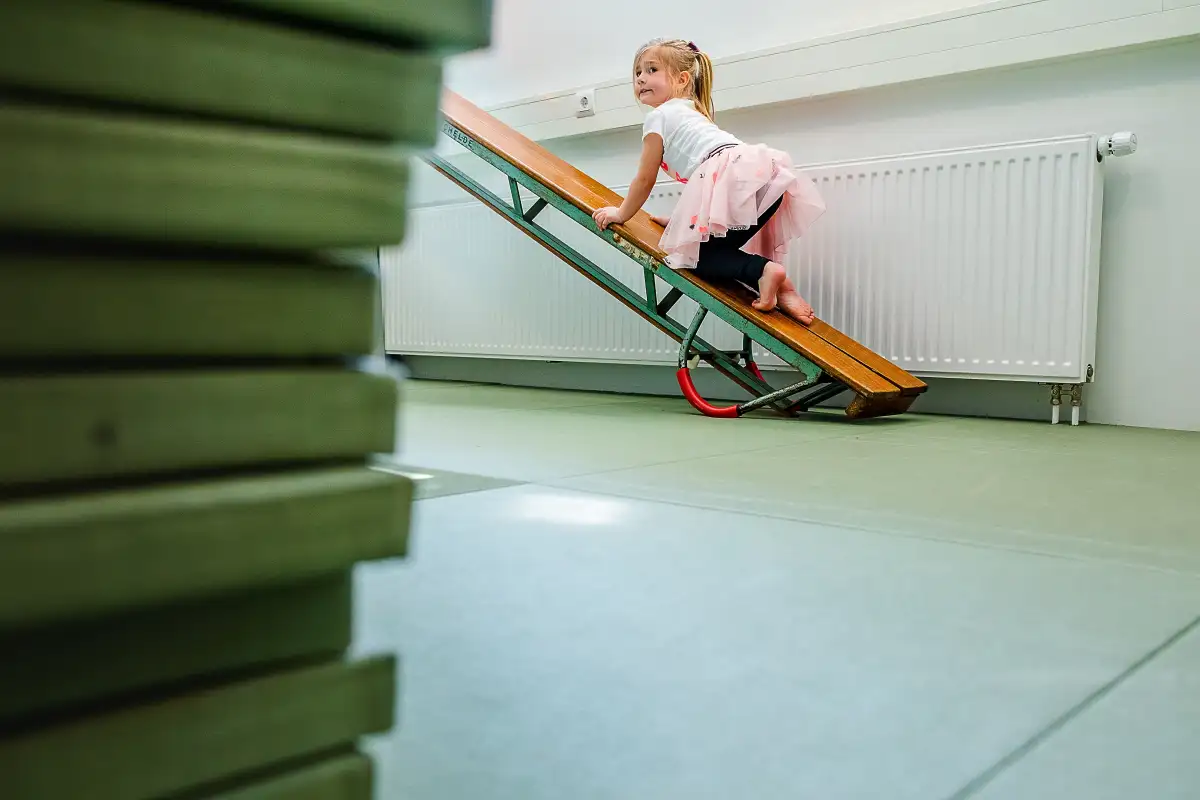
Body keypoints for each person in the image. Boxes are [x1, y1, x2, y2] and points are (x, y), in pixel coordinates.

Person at [592, 38, 826, 324]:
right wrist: (682, 222)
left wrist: (621, 212)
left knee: (694, 258)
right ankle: (783, 286)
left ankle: (764, 271)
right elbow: (707, 183)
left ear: (682, 79)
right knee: (714, 249)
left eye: (651, 70)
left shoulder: (658, 117)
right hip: (765, 178)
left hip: (739, 182)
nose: (641, 78)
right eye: (638, 72)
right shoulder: (691, 111)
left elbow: (645, 179)